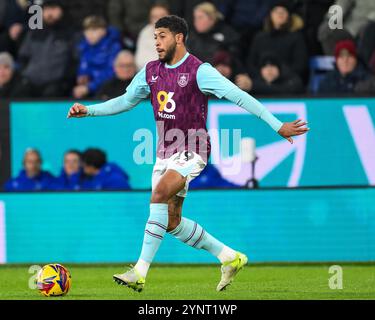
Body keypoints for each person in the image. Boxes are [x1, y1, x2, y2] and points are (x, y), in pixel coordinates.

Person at [67, 15, 309, 292]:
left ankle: (139, 271)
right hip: (164, 152)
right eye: (155, 37)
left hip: (193, 149)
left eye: (162, 36)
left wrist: (277, 125)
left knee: (158, 194)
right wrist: (89, 110)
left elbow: (239, 96)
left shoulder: (199, 71)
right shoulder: (150, 71)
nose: (156, 42)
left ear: (178, 38)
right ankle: (229, 257)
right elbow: (125, 101)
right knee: (171, 221)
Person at [17, 0, 76, 97]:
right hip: (30, 82)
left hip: (56, 84)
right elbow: (23, 57)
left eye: (53, 9)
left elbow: (75, 60)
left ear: (61, 11)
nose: (49, 13)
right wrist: (24, 76)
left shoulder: (69, 34)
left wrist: (66, 82)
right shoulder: (34, 33)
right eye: (46, 9)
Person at [246, 1, 308, 80]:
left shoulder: (296, 38)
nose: (280, 14)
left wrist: (279, 74)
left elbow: (300, 65)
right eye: (276, 11)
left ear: (288, 16)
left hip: (287, 81)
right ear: (270, 15)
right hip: (261, 80)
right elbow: (251, 63)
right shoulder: (259, 37)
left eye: (283, 11)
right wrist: (262, 75)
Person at [73, 16, 123, 99]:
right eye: (87, 30)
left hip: (107, 89)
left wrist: (89, 87)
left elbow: (111, 72)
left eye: (94, 30)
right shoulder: (84, 46)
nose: (89, 34)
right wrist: (82, 75)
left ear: (104, 31)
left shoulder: (113, 47)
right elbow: (84, 66)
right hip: (88, 88)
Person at [135, 3, 170, 70]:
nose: (159, 20)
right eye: (155, 17)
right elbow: (140, 61)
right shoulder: (145, 33)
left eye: (162, 16)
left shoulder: (179, 33)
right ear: (150, 20)